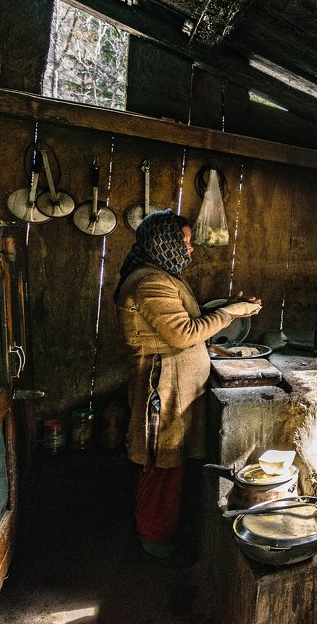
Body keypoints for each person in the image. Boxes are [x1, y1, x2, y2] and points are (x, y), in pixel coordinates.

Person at [114, 209, 260, 558]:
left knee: (172, 462)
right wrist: (230, 313)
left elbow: (187, 323)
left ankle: (164, 529)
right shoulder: (149, 283)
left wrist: (230, 307)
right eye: (184, 240)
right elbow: (182, 333)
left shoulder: (164, 277)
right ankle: (153, 538)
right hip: (162, 388)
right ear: (162, 242)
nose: (190, 248)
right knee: (160, 464)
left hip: (177, 385)